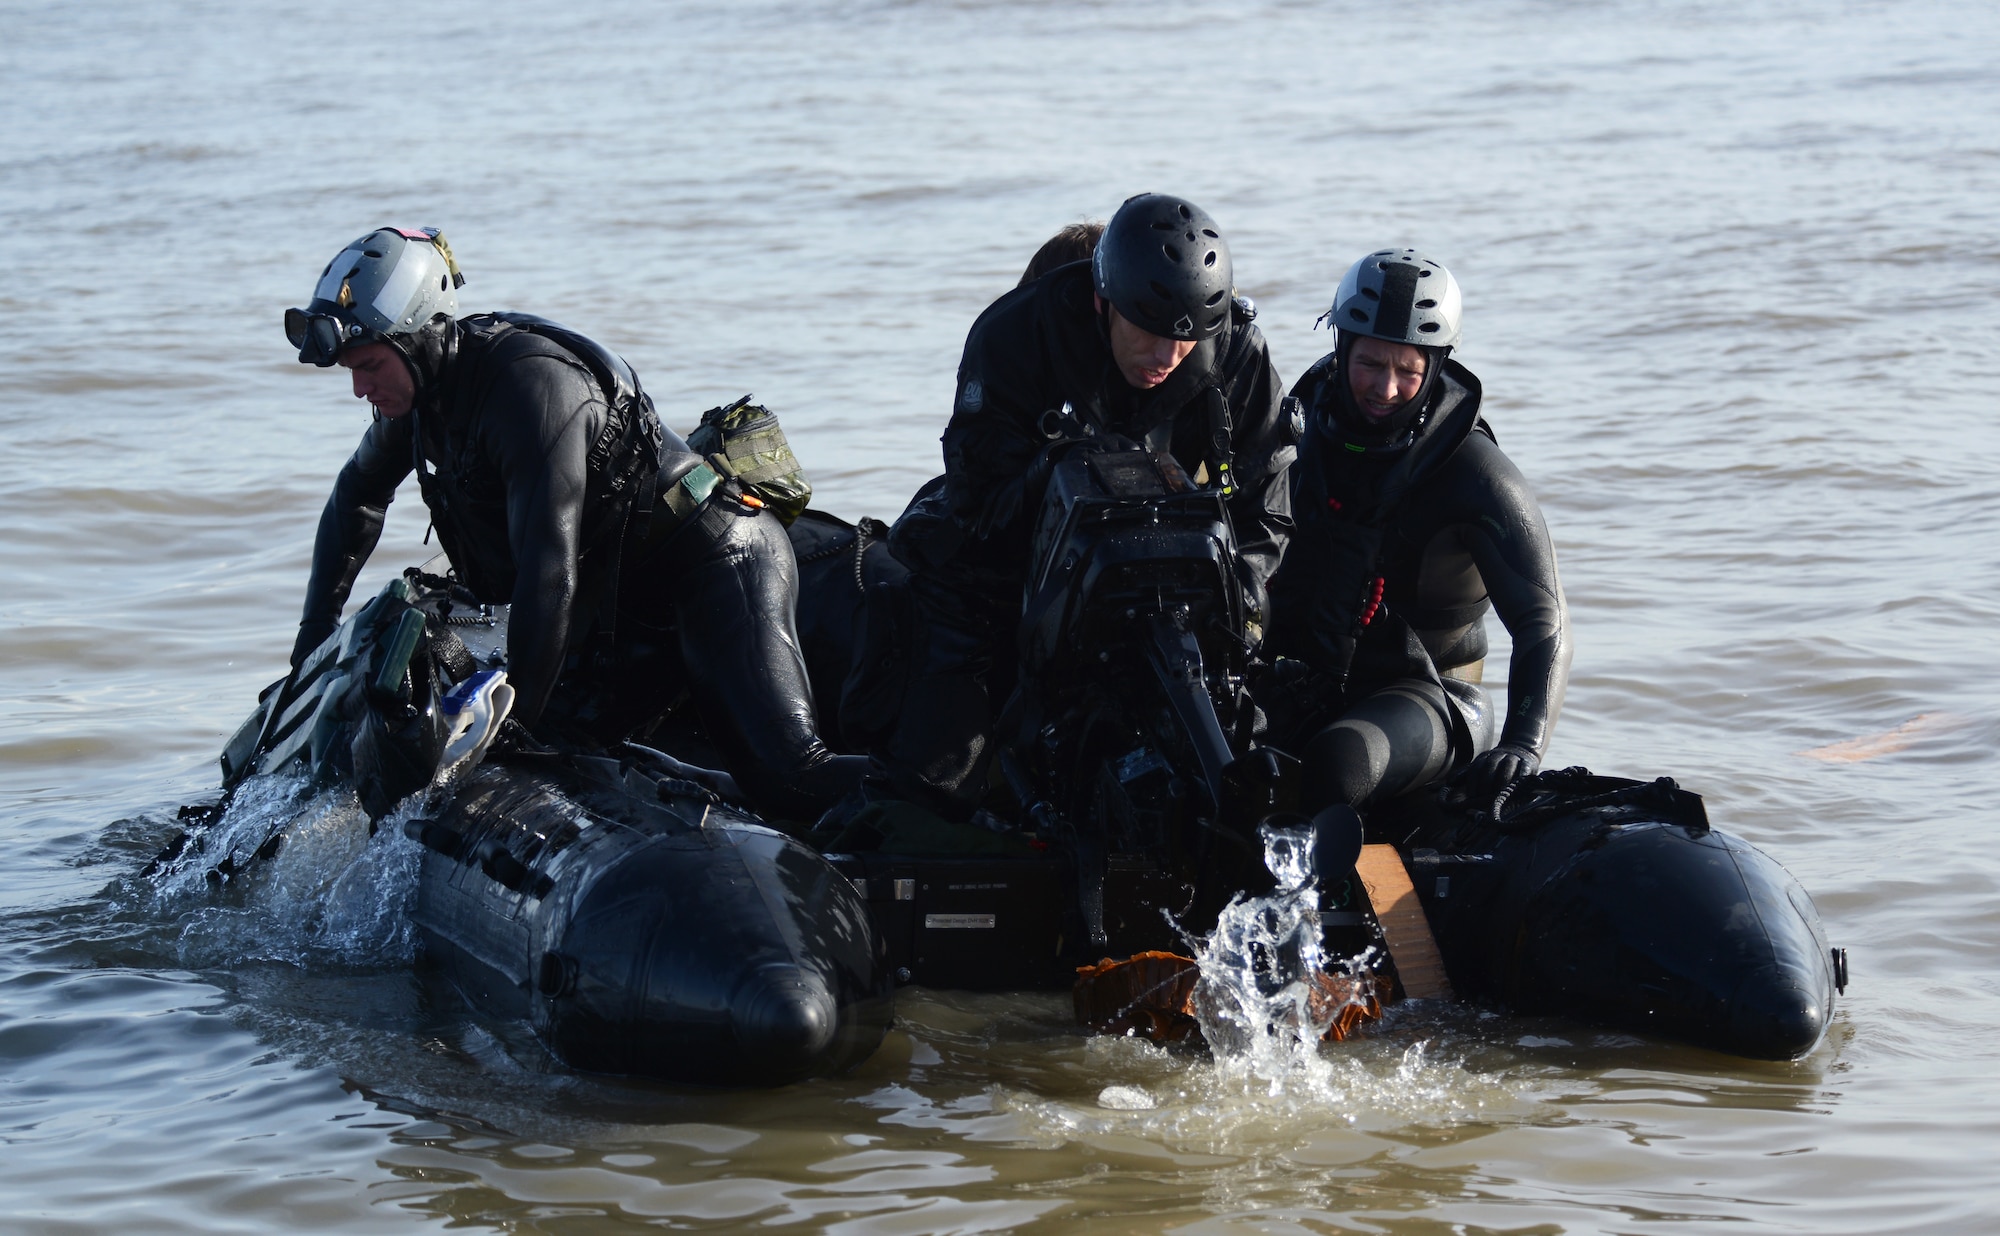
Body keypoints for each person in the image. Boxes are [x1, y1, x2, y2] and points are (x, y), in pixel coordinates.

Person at [283, 226, 861, 819]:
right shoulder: (421, 396)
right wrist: (313, 637)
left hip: (717, 561)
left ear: (420, 333)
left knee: (788, 774)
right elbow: (356, 498)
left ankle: (914, 796)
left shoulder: (528, 389)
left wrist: (518, 722)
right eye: (351, 370)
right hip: (623, 597)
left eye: (369, 365)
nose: (359, 388)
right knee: (578, 751)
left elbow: (548, 572)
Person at [871, 194, 1296, 817]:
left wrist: (1242, 602)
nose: (1166, 358)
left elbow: (1268, 508)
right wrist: (1053, 471)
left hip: (1170, 577)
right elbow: (976, 505)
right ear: (1104, 302)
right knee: (937, 783)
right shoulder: (1015, 339)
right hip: (1009, 573)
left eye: (1184, 340)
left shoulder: (1236, 351)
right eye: (1149, 332)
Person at [1261, 248, 1571, 814]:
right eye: (1370, 364)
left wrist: (1524, 745)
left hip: (1432, 699)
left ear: (1436, 365)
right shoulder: (1294, 431)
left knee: (1336, 764)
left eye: (1408, 371)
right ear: (1341, 348)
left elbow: (1542, 621)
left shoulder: (1475, 473)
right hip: (1301, 676)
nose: (1385, 388)